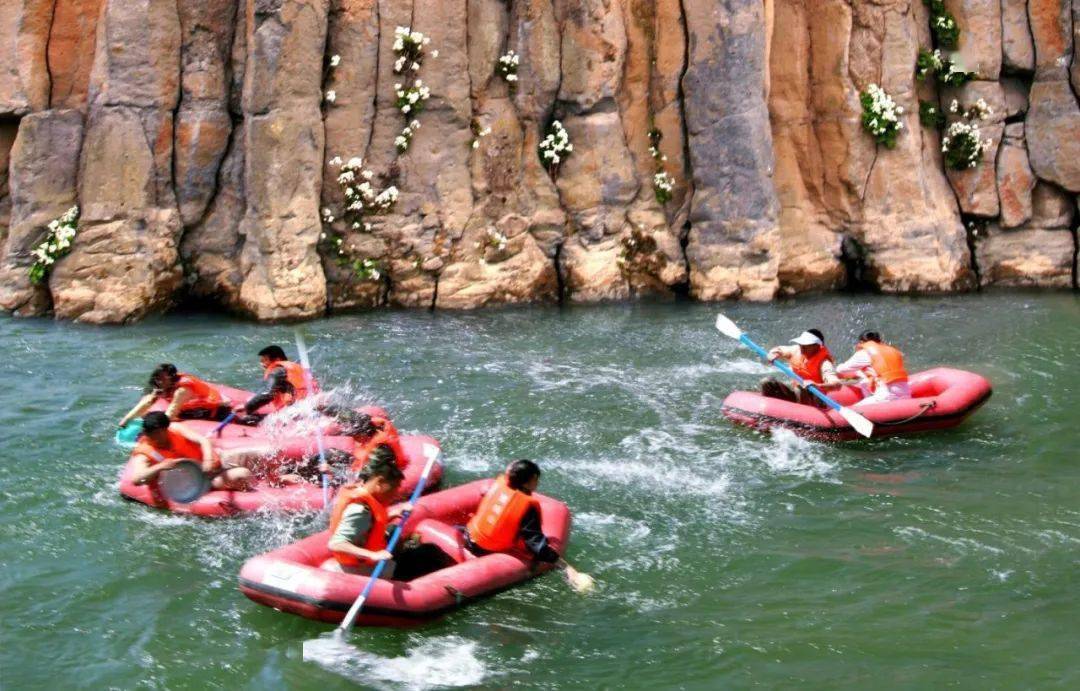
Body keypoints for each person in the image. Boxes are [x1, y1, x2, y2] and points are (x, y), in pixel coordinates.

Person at [465, 460, 590, 587]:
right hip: (485, 549)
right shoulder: (526, 506)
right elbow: (535, 545)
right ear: (532, 479)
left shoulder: (502, 484)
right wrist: (567, 567)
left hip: (470, 535)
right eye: (536, 479)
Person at [128, 412, 252, 491]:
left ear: (165, 429)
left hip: (215, 460)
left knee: (264, 454)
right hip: (202, 481)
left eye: (158, 433)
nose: (155, 437)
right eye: (151, 434)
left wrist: (208, 460)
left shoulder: (175, 429)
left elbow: (203, 441)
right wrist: (161, 466)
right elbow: (137, 479)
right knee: (244, 474)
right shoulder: (143, 453)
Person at [326, 460, 410, 576]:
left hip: (363, 552)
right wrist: (373, 555)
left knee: (393, 530)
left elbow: (370, 523)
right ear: (380, 483)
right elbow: (336, 544)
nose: (395, 493)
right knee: (429, 555)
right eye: (394, 488)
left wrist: (394, 513)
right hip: (360, 566)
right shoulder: (360, 509)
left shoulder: (360, 492)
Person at [118, 364, 231, 428]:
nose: (159, 382)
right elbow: (148, 401)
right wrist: (126, 419)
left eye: (162, 379)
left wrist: (153, 429)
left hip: (212, 411)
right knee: (147, 415)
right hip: (192, 408)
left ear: (171, 378)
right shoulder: (164, 386)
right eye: (157, 379)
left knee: (161, 420)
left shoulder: (182, 389)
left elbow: (172, 411)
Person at [759, 329, 840, 406]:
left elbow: (837, 384)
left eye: (806, 345)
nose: (802, 347)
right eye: (801, 344)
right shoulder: (796, 350)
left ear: (817, 346)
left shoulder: (825, 363)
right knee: (766, 382)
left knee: (801, 388)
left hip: (816, 400)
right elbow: (780, 349)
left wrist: (817, 385)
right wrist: (774, 353)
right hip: (797, 393)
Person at [836, 330, 912, 405]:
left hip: (887, 396)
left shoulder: (864, 353)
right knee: (863, 375)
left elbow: (840, 370)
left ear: (861, 342)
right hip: (906, 394)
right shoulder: (892, 350)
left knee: (853, 411)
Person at [240, 345, 314, 422]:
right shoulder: (296, 368)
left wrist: (247, 408)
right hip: (311, 406)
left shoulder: (277, 370)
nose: (262, 364)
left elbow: (268, 395)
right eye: (261, 361)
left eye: (265, 360)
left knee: (244, 418)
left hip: (297, 414)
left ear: (277, 359)